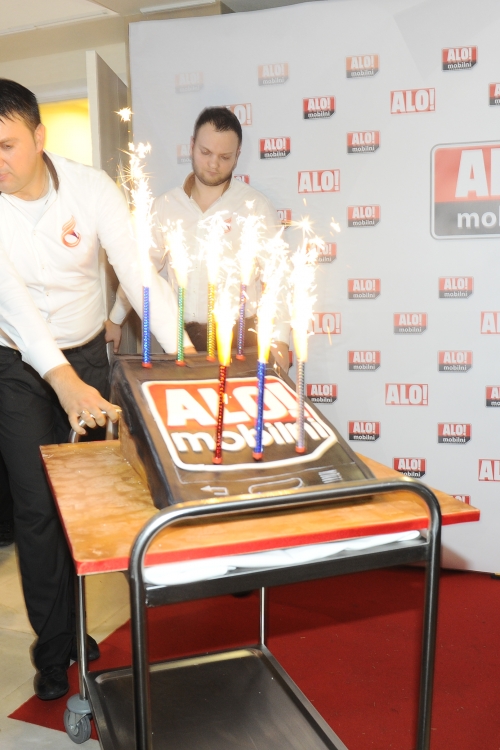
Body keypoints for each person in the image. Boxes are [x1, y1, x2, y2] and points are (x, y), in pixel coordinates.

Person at [0, 79, 193, 700]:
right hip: (17, 366)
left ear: (38, 137)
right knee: (36, 508)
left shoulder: (92, 189)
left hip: (85, 352)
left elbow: (138, 273)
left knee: (85, 505)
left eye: (5, 145)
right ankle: (54, 645)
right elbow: (16, 310)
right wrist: (61, 383)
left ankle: (77, 622)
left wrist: (183, 351)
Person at [107, 107, 290, 370]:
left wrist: (280, 340)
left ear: (237, 156)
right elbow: (139, 270)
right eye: (206, 152)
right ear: (192, 146)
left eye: (224, 157)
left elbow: (278, 279)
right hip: (179, 340)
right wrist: (116, 319)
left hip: (240, 340)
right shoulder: (165, 206)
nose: (214, 164)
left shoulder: (255, 206)